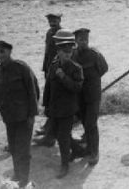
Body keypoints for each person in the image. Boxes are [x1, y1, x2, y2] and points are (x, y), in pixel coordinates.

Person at [0, 40, 39, 188]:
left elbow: (33, 92)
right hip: (9, 117)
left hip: (24, 117)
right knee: (13, 148)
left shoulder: (21, 67)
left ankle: (24, 179)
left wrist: (32, 115)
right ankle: (17, 175)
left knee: (23, 150)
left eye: (2, 52)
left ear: (9, 52)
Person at [43, 29, 84, 178]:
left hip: (67, 109)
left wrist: (63, 76)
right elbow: (48, 87)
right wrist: (46, 105)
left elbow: (77, 87)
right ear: (58, 52)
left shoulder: (76, 69)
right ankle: (78, 150)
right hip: (54, 107)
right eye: (64, 53)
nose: (67, 55)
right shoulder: (53, 65)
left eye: (69, 53)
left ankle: (64, 165)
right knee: (54, 133)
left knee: (63, 137)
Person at [70, 28, 108, 165]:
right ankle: (88, 146)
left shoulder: (95, 54)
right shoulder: (73, 55)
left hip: (92, 94)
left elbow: (104, 68)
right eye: (81, 40)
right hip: (80, 95)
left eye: (86, 39)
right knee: (85, 121)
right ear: (76, 41)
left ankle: (94, 152)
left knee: (91, 123)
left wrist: (93, 81)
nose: (84, 42)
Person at [33, 12, 62, 145]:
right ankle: (48, 126)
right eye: (50, 20)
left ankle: (50, 131)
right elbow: (46, 52)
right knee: (49, 98)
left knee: (55, 100)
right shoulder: (49, 32)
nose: (52, 22)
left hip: (58, 70)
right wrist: (45, 69)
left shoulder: (63, 33)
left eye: (54, 20)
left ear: (59, 20)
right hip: (49, 69)